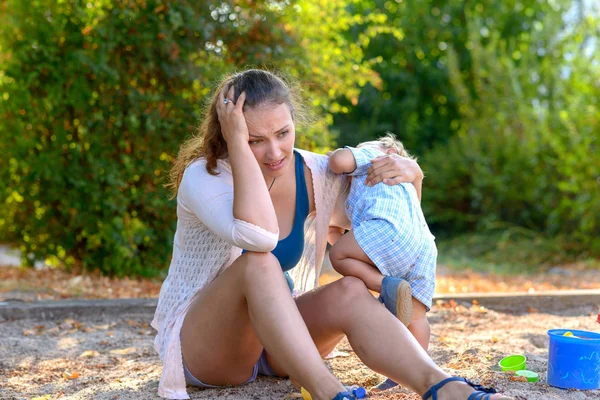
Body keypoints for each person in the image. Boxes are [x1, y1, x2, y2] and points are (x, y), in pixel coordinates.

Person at [151, 69, 513, 400]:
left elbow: (396, 222)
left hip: (278, 345)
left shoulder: (314, 173)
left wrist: (413, 174)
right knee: (260, 264)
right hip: (208, 348)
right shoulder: (206, 176)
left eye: (283, 133)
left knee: (351, 289)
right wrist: (236, 144)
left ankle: (444, 387)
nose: (275, 151)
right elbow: (259, 236)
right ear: (230, 132)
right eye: (255, 140)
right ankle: (327, 391)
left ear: (294, 121)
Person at [328, 135, 437, 391]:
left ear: (389, 152)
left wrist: (354, 152)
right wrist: (333, 232)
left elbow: (338, 162)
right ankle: (413, 375)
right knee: (417, 317)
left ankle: (386, 284)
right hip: (424, 245)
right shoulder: (404, 187)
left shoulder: (376, 159)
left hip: (386, 230)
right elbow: (345, 239)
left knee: (337, 256)